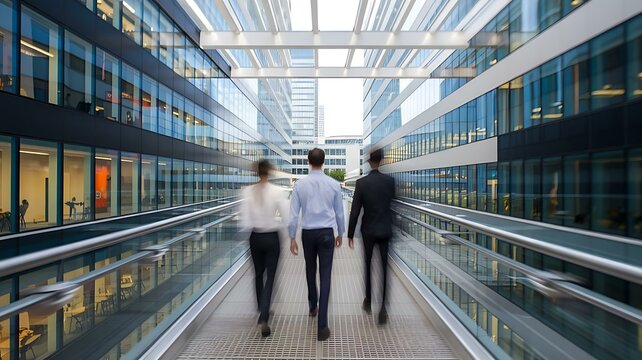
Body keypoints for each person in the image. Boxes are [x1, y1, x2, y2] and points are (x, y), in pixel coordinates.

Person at [288, 148, 345, 341]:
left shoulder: (300, 185)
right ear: (324, 161)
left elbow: (294, 214)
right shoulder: (334, 184)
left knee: (310, 269)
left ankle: (313, 306)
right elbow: (339, 212)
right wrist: (341, 233)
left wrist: (291, 237)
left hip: (308, 233)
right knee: (326, 275)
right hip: (327, 233)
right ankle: (322, 326)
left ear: (308, 161)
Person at [239, 160, 288, 337]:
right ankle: (265, 316)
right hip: (272, 237)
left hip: (255, 237)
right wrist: (289, 235)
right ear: (271, 171)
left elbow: (244, 220)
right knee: (271, 276)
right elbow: (285, 216)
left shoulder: (248, 191)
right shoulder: (277, 191)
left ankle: (261, 311)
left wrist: (249, 232)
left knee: (258, 274)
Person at [347, 148, 395, 324]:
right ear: (382, 160)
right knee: (384, 269)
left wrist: (350, 234)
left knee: (367, 265)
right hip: (385, 230)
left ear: (369, 162)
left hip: (368, 231)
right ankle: (383, 308)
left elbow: (355, 211)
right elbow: (393, 204)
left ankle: (368, 301)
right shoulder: (390, 182)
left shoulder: (362, 183)